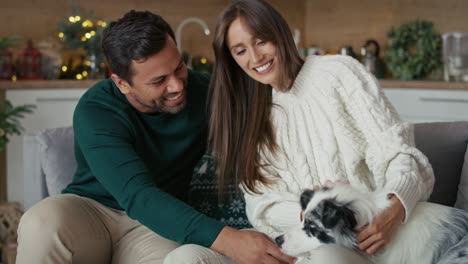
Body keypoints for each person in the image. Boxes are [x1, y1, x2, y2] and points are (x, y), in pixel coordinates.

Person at [15, 10, 296, 264]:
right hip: (93, 212)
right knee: (40, 223)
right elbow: (138, 196)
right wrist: (231, 241)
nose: (176, 86)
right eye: (158, 81)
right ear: (121, 83)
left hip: (157, 224)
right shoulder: (96, 110)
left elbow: (269, 110)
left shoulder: (205, 93)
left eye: (178, 68)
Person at [208, 0, 435, 263]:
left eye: (261, 41)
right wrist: (310, 212)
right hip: (298, 244)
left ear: (280, 34)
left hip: (372, 245)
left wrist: (394, 206)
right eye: (240, 51)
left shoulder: (339, 74)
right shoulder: (251, 114)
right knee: (188, 257)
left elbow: (398, 152)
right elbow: (262, 205)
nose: (255, 58)